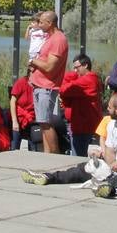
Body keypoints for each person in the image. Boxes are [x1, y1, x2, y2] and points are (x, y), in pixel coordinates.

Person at [21, 93, 117, 198]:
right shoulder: (112, 124)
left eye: (110, 107)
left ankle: (109, 188)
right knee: (84, 168)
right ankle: (48, 177)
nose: (107, 109)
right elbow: (110, 151)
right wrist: (106, 162)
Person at [27, 10, 69, 154]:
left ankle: (55, 156)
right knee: (43, 122)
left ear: (50, 23)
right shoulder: (50, 38)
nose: (39, 25)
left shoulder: (58, 39)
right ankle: (47, 155)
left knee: (46, 122)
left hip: (47, 87)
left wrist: (33, 61)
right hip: (39, 86)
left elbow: (50, 67)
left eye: (41, 22)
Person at [60, 53, 103, 157]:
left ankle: (79, 172)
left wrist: (71, 76)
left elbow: (63, 90)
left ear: (85, 65)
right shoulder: (86, 79)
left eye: (77, 67)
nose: (75, 71)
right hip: (81, 123)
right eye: (74, 68)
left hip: (83, 125)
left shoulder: (88, 80)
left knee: (77, 157)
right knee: (78, 153)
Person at [9, 65, 36, 151]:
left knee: (34, 147)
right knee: (15, 146)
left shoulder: (39, 85)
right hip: (19, 117)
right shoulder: (21, 83)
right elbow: (12, 101)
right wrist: (15, 122)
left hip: (33, 119)